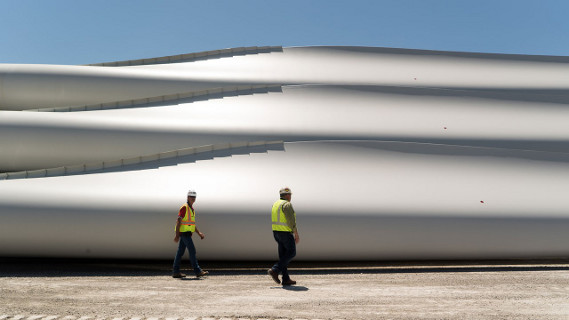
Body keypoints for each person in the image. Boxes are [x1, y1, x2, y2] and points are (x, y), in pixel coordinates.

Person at [172, 189, 209, 278]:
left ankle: (176, 272)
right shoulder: (185, 207)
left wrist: (199, 233)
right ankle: (197, 271)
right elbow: (178, 221)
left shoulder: (191, 209)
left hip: (187, 234)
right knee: (192, 250)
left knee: (180, 252)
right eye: (191, 197)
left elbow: (192, 224)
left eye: (194, 197)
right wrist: (177, 235)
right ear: (187, 197)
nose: (193, 198)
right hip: (184, 234)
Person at [268, 187, 300, 286]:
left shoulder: (275, 204)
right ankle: (275, 270)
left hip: (276, 233)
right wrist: (296, 233)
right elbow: (291, 221)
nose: (290, 197)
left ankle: (285, 279)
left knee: (283, 256)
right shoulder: (286, 204)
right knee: (291, 253)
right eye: (290, 195)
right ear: (287, 195)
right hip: (285, 233)